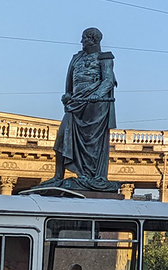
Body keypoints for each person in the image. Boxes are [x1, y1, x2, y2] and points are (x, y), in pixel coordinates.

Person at [37, 28, 119, 192]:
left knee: (91, 142)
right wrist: (67, 96)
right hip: (76, 103)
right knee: (61, 137)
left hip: (95, 106)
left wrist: (96, 94)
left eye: (84, 38)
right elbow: (70, 84)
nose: (81, 42)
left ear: (93, 40)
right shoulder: (76, 58)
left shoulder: (105, 57)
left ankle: (89, 176)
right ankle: (58, 176)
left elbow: (108, 80)